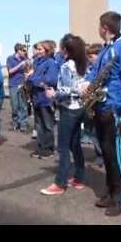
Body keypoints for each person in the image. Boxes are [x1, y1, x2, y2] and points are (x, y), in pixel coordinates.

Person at [81, 11, 121, 217]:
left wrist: (116, 107)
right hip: (100, 107)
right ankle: (111, 191)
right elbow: (94, 72)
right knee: (106, 154)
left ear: (104, 27)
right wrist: (87, 83)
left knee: (116, 156)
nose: (98, 28)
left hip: (113, 110)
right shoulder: (107, 49)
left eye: (99, 25)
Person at [40, 35, 88, 195]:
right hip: (80, 107)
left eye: (62, 47)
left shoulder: (67, 66)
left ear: (67, 50)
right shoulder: (82, 64)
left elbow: (68, 90)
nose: (60, 50)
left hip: (69, 109)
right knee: (75, 145)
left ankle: (60, 183)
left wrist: (53, 94)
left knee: (63, 147)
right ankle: (79, 179)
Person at [25, 40, 59, 159]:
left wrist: (33, 79)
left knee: (48, 125)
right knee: (39, 125)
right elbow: (32, 78)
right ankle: (40, 147)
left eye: (40, 49)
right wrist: (32, 79)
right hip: (37, 97)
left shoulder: (51, 62)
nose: (37, 52)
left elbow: (51, 79)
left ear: (47, 50)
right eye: (38, 49)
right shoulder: (37, 62)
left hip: (46, 98)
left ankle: (48, 149)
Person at [84, 43, 104, 167]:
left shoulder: (102, 69)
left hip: (100, 102)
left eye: (91, 56)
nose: (89, 59)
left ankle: (103, 155)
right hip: (90, 103)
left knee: (100, 131)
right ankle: (100, 153)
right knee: (91, 130)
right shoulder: (90, 69)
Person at [6, 43, 28, 132]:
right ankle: (15, 123)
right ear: (18, 50)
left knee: (23, 105)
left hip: (22, 85)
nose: (24, 52)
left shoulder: (25, 59)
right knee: (14, 106)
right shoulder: (10, 58)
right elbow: (10, 71)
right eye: (23, 50)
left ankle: (23, 124)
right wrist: (20, 66)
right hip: (13, 85)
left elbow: (27, 70)